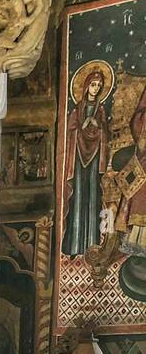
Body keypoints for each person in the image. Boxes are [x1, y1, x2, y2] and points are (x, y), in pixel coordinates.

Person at [62, 65, 111, 258]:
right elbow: (70, 131)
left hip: (94, 158)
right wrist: (81, 126)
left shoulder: (100, 110)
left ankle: (92, 244)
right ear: (86, 86)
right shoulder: (76, 110)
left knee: (92, 197)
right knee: (78, 196)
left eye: (99, 85)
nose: (96, 88)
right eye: (93, 84)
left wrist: (98, 126)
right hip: (78, 159)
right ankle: (74, 246)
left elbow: (105, 133)